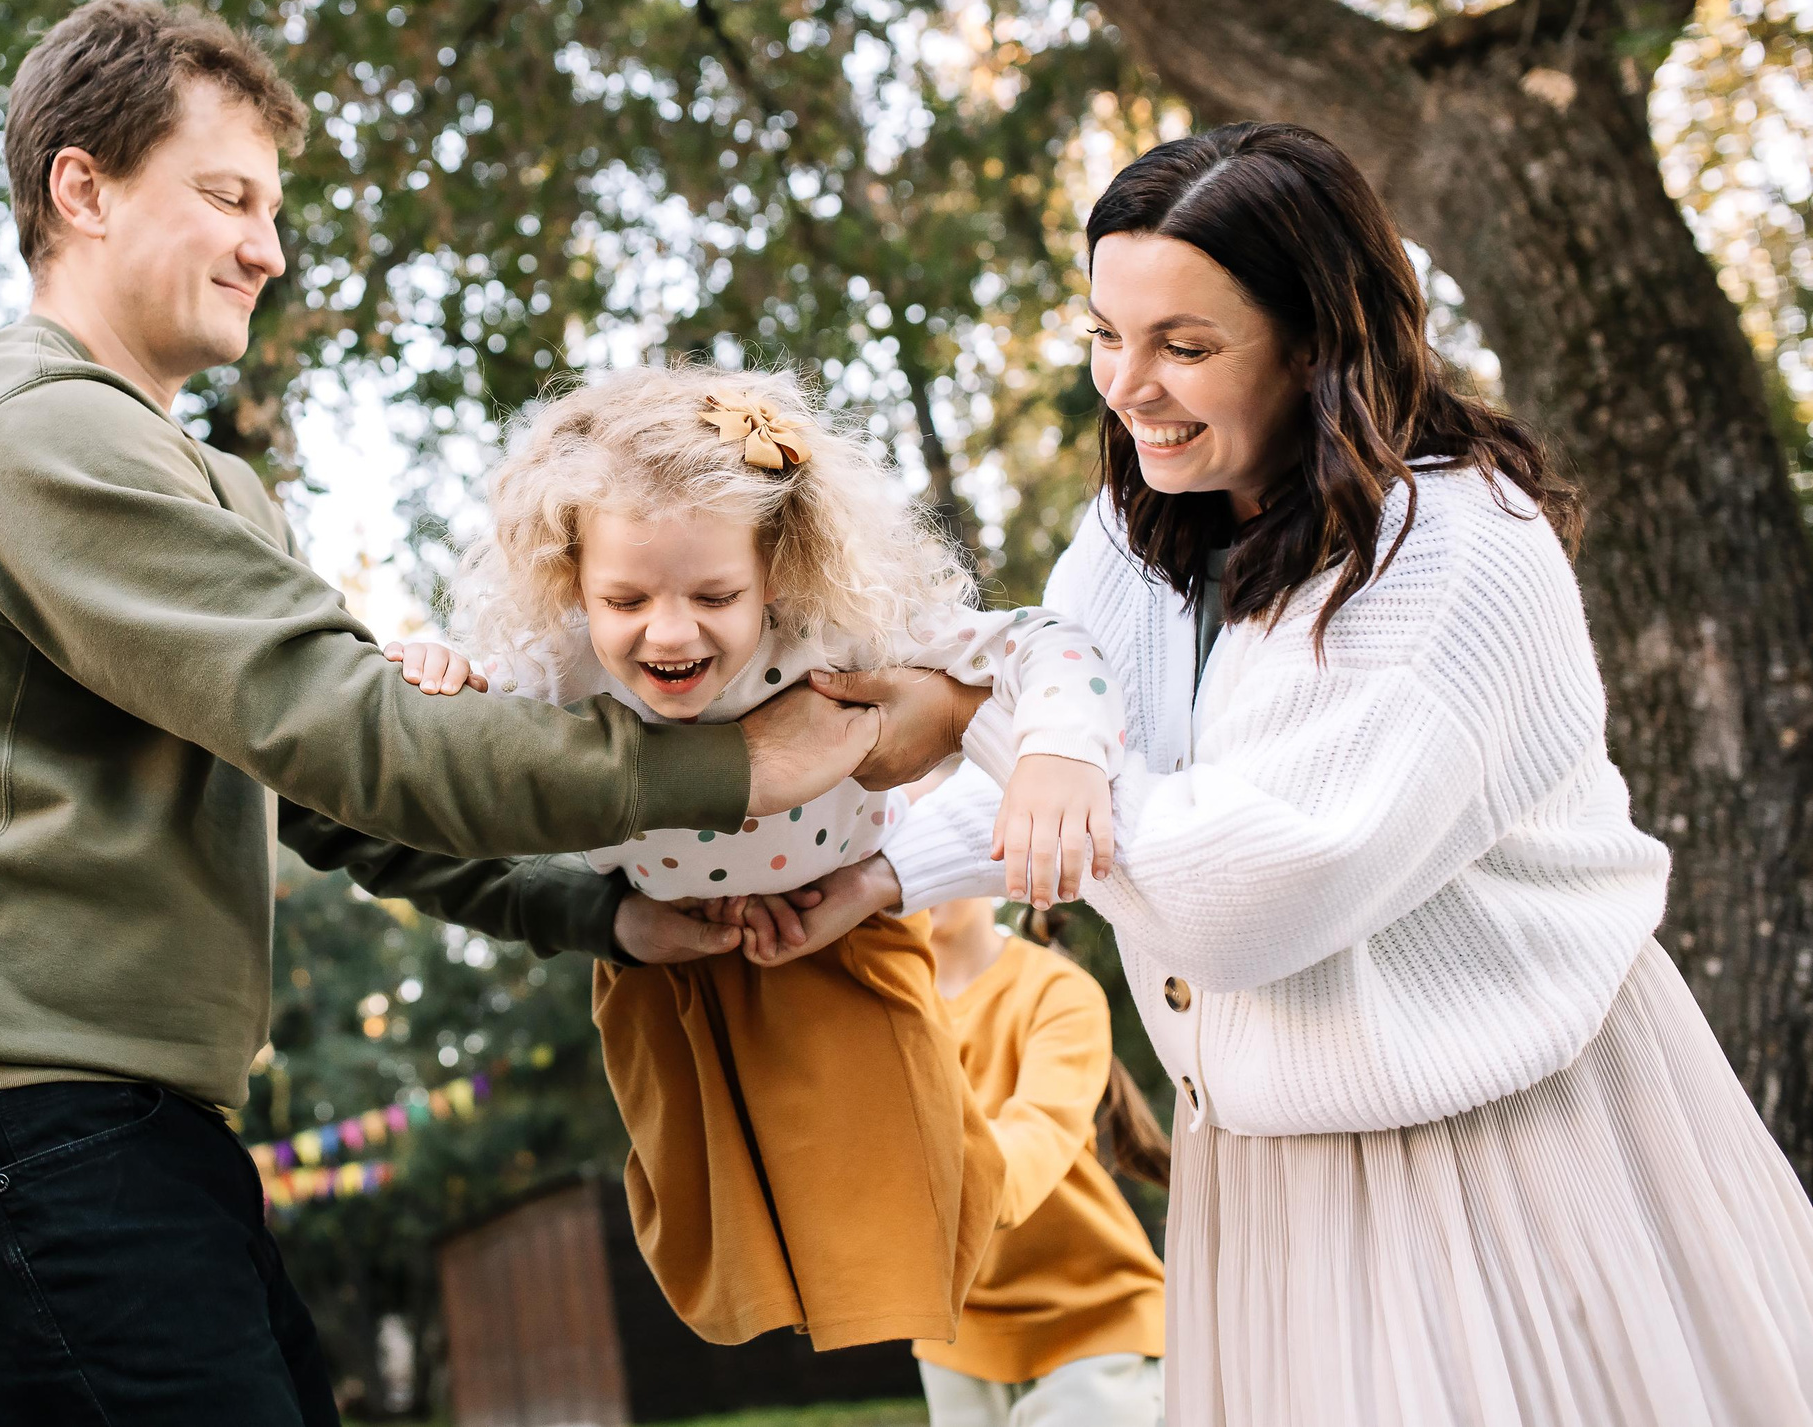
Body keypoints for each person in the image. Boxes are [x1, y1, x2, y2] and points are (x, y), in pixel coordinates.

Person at [0, 0, 890, 1427]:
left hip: (114, 1125)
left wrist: (600, 912)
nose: (270, 244)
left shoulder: (191, 476)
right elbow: (349, 727)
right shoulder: (29, 427)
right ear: (84, 188)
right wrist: (735, 760)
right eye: (227, 194)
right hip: (3, 1123)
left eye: (274, 204)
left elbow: (326, 790)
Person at [768, 121, 1813, 1425]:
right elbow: (1087, 775)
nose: (1128, 385)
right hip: (1271, 1170)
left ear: (1321, 343)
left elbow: (1245, 891)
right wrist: (873, 874)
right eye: (1105, 332)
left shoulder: (1452, 555)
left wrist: (986, 701)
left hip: (1496, 1155)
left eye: (1185, 347)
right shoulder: (1143, 528)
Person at [385, 363, 1123, 1350]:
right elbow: (445, 742)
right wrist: (437, 670)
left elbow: (1046, 640)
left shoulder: (833, 629)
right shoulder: (551, 665)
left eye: (714, 593)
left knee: (922, 1179)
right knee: (700, 1217)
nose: (671, 630)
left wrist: (1058, 752)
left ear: (775, 567)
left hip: (843, 936)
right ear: (572, 583)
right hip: (666, 962)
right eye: (627, 597)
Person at [909, 894, 1167, 1427]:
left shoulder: (1056, 990)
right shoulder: (878, 1003)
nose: (915, 870)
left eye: (931, 832)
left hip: (1093, 1319)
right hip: (954, 1332)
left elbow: (1036, 1138)